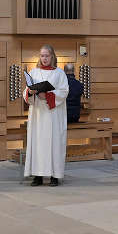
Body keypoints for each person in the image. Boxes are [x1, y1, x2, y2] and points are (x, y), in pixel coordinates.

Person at [24, 45, 69, 186]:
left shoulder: (59, 73)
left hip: (53, 115)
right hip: (38, 115)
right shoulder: (34, 72)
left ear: (52, 56)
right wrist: (30, 93)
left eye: (47, 56)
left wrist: (48, 95)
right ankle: (37, 176)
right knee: (38, 144)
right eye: (42, 55)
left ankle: (55, 176)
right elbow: (27, 91)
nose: (44, 58)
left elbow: (64, 91)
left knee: (54, 144)